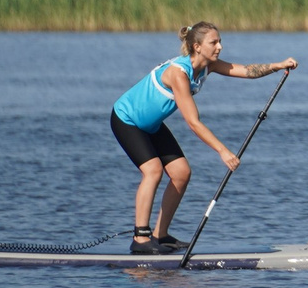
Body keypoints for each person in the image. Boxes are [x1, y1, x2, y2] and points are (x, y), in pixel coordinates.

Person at [111, 22, 296, 253]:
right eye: (214, 42)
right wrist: (223, 150)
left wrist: (278, 65)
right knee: (153, 171)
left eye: (219, 41)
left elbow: (247, 71)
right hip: (127, 120)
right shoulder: (178, 74)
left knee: (181, 173)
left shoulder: (209, 66)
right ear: (197, 46)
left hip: (151, 125)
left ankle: (160, 235)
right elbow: (193, 122)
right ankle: (140, 239)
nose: (220, 46)